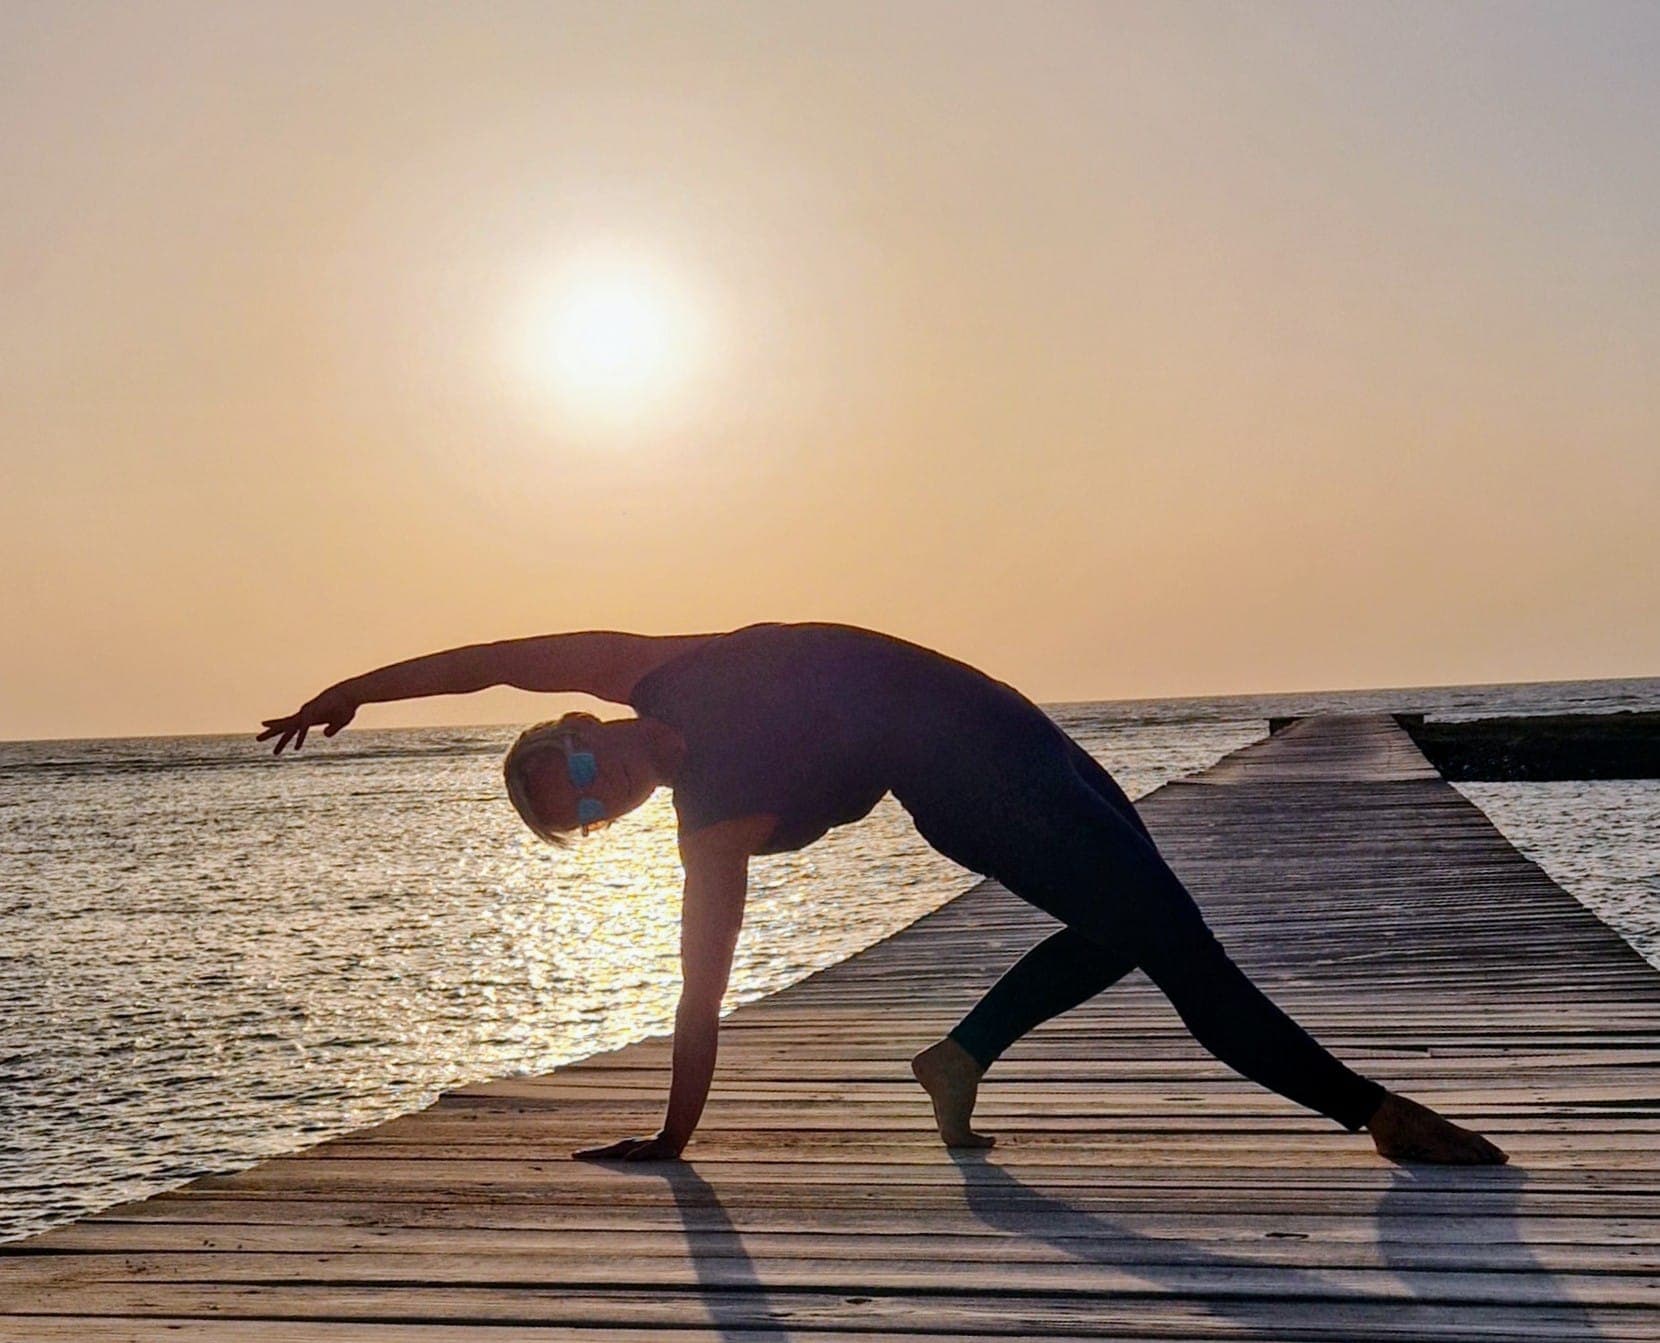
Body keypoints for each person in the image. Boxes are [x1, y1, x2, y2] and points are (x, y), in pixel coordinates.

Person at [259, 620, 1507, 1166]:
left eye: (573, 761)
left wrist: (353, 688)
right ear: (608, 823)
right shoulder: (713, 834)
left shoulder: (647, 665)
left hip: (1004, 717)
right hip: (972, 782)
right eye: (581, 808)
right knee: (1172, 942)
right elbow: (701, 1000)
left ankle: (961, 1057)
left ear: (585, 721)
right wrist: (675, 1134)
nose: (598, 785)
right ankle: (1375, 1112)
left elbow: (489, 660)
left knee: (1136, 923)